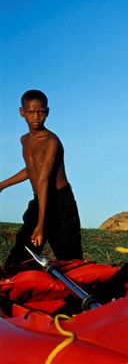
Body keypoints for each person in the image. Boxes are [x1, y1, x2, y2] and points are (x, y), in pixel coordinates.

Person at [1, 90, 83, 269]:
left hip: (61, 204)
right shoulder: (25, 140)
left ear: (47, 112)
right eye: (31, 112)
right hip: (41, 200)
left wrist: (41, 224)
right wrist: (2, 185)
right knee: (19, 257)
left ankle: (90, 295)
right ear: (22, 112)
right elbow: (32, 170)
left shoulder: (51, 141)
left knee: (72, 261)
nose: (37, 117)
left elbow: (44, 180)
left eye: (41, 111)